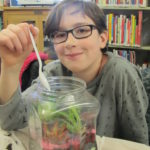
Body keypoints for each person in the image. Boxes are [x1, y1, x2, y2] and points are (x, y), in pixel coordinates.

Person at [0, 0, 149, 146]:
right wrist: (10, 67)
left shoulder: (121, 74)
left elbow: (138, 142)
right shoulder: (53, 73)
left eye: (82, 30)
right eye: (59, 34)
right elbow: (12, 120)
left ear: (102, 39)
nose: (69, 42)